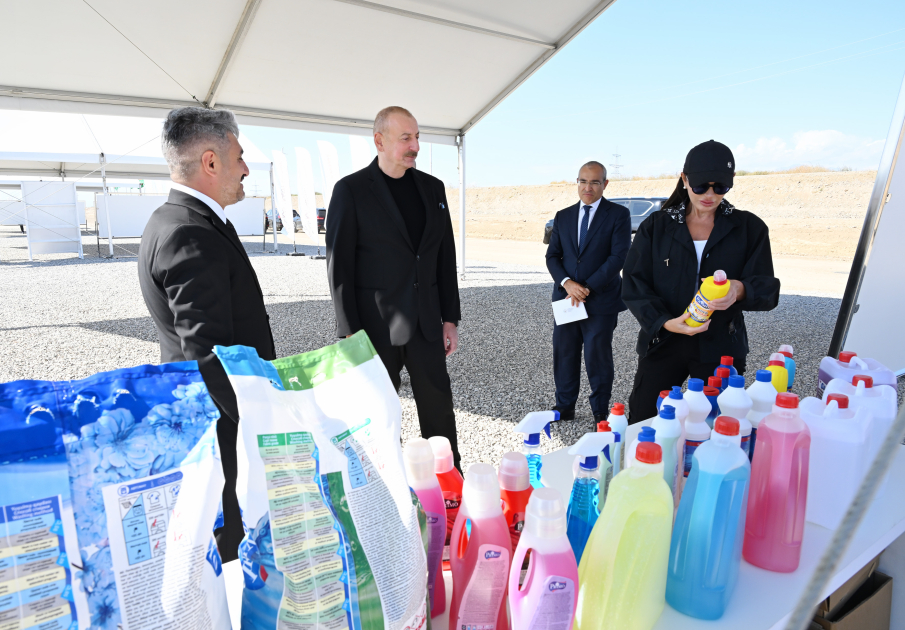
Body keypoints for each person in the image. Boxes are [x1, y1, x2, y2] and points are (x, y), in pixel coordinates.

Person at [138, 107, 275, 562]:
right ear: (211, 162)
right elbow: (207, 355)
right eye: (238, 155)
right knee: (231, 548)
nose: (245, 168)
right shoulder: (188, 232)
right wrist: (263, 414)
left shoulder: (172, 219)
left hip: (214, 427)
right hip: (222, 436)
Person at [326, 106, 462, 468]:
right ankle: (386, 487)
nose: (414, 145)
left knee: (439, 412)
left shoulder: (432, 188)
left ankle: (451, 482)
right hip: (374, 330)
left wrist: (450, 318)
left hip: (427, 325)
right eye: (406, 138)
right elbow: (339, 268)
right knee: (379, 415)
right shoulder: (350, 190)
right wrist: (350, 336)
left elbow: (443, 257)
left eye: (417, 137)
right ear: (379, 141)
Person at [622, 140, 780, 423]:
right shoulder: (656, 227)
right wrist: (664, 322)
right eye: (700, 186)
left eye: (720, 187)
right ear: (684, 179)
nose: (710, 194)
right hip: (664, 340)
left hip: (721, 346)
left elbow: (767, 289)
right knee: (645, 419)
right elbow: (634, 284)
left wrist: (740, 289)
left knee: (717, 425)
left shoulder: (749, 228)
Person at [546, 161, 632, 424]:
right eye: (583, 181)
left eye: (595, 182)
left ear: (605, 184)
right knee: (565, 353)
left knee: (598, 357)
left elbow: (618, 258)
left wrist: (586, 288)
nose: (588, 187)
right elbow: (553, 256)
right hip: (567, 299)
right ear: (578, 182)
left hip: (601, 301)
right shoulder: (563, 216)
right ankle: (565, 406)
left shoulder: (618, 215)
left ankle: (599, 409)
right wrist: (567, 284)